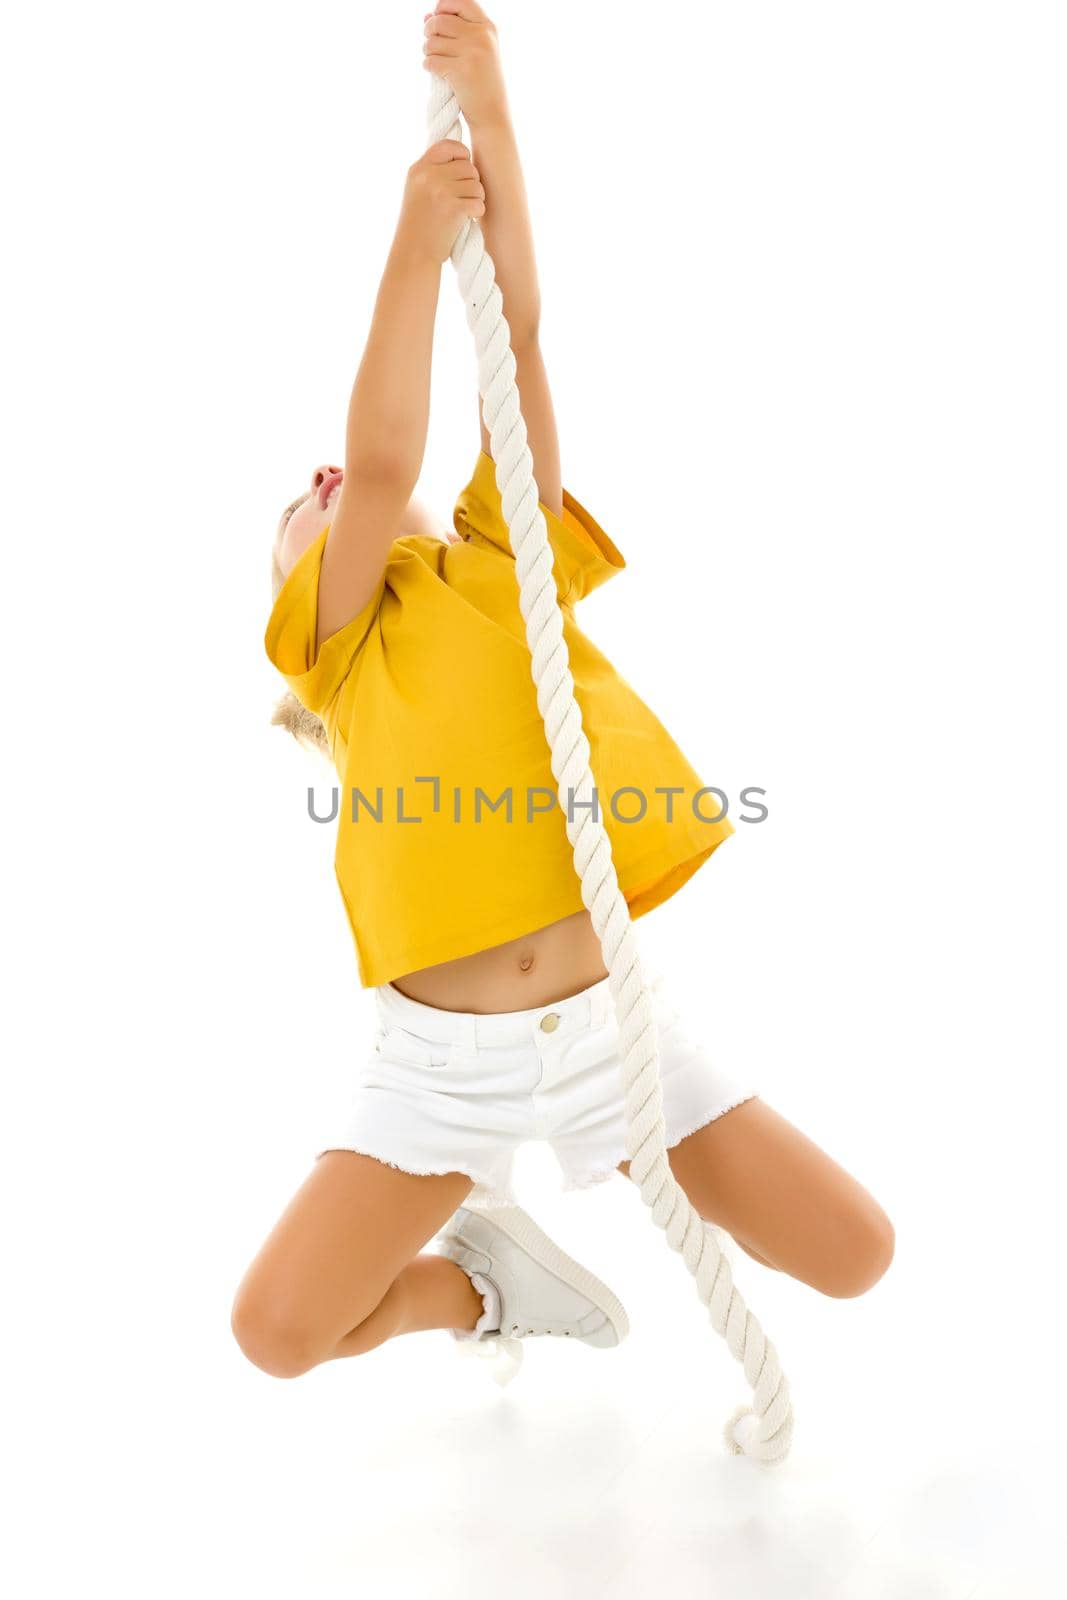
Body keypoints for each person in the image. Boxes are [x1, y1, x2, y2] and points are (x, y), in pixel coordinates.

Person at [231, 1, 894, 1380]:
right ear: (296, 588)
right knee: (280, 1331)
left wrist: (497, 115)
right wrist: (407, 248)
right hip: (438, 1068)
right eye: (302, 509)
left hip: (614, 1027)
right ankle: (480, 1291)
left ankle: (517, 1253)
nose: (330, 489)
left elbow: (515, 350)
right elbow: (386, 437)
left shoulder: (498, 562)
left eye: (326, 490)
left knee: (854, 1252)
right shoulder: (340, 646)